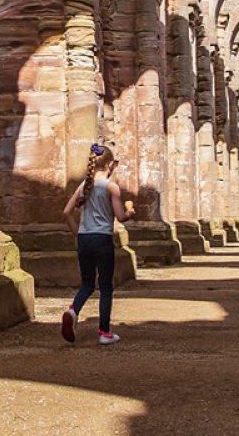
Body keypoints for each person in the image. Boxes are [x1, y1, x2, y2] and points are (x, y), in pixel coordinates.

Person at [61, 143, 136, 345]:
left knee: (87, 282)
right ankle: (104, 332)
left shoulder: (84, 187)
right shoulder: (111, 187)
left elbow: (67, 212)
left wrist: (77, 233)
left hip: (85, 238)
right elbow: (120, 217)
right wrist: (130, 212)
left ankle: (72, 310)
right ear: (110, 164)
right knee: (105, 286)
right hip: (102, 239)